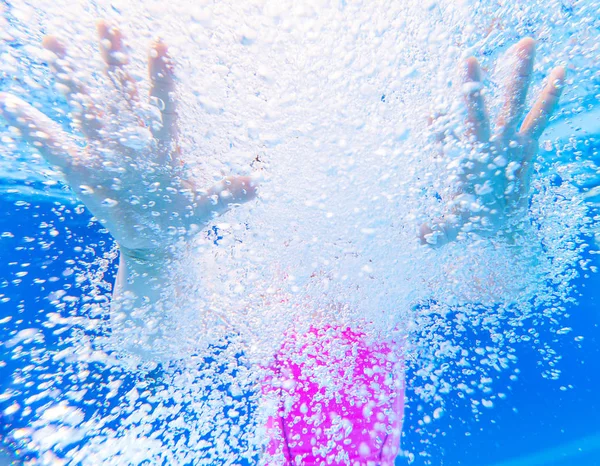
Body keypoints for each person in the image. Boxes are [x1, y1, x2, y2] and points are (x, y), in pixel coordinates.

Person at [0, 20, 564, 465]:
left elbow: (147, 342)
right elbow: (507, 282)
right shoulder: (388, 264)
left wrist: (152, 252)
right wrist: (503, 227)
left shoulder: (377, 261)